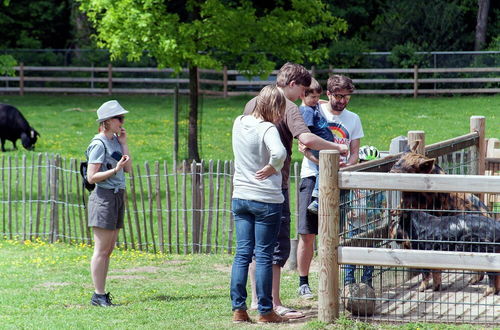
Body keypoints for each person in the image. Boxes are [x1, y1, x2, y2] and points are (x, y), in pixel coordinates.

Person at [244, 63, 347, 318]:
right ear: (292, 85)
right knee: (277, 246)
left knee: (257, 246)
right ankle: (275, 302)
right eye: (302, 89)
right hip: (274, 185)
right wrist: (338, 149)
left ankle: (257, 300)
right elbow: (307, 139)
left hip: (248, 184)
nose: (303, 95)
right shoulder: (288, 107)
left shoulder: (252, 102)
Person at [296, 74, 364, 299]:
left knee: (335, 232)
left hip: (340, 180)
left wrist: (345, 167)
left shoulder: (354, 119)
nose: (343, 100)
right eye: (338, 96)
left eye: (347, 97)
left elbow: (354, 152)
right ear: (328, 94)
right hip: (312, 176)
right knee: (308, 233)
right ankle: (303, 282)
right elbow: (303, 145)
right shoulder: (315, 110)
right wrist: (322, 164)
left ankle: (333, 280)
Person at [230, 85, 288, 324]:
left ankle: (239, 309)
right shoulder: (267, 128)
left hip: (240, 196)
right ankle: (265, 311)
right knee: (263, 254)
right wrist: (273, 166)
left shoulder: (238, 122)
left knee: (242, 254)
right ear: (274, 107)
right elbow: (279, 152)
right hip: (265, 199)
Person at [87, 100, 132, 307]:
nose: (122, 121)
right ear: (107, 121)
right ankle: (98, 295)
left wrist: (124, 143)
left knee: (109, 250)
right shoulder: (99, 143)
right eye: (119, 118)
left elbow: (128, 169)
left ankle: (102, 294)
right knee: (101, 250)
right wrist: (115, 170)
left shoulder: (114, 140)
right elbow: (91, 177)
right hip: (103, 197)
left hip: (116, 195)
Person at [344, 145, 386, 288]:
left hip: (371, 226)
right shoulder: (352, 184)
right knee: (351, 254)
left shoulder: (378, 187)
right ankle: (348, 282)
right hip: (354, 225)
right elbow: (344, 204)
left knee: (370, 254)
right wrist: (348, 213)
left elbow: (382, 206)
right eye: (364, 164)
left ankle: (366, 282)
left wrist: (374, 214)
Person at [297, 78, 334, 215]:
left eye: (318, 96)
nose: (316, 99)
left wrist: (326, 102)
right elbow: (306, 132)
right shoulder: (306, 111)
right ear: (302, 95)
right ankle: (317, 200)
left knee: (325, 169)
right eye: (313, 97)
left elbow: (321, 102)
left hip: (324, 146)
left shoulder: (313, 105)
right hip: (318, 146)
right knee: (323, 170)